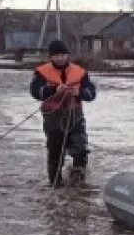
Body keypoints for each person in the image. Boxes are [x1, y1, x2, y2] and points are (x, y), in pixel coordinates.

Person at [29, 39, 96, 186]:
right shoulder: (41, 72)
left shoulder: (81, 72)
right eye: (56, 55)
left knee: (80, 150)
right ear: (51, 57)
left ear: (67, 55)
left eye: (62, 55)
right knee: (55, 152)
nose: (60, 58)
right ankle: (55, 184)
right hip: (53, 116)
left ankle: (78, 184)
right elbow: (35, 92)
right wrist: (53, 90)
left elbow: (91, 94)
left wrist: (80, 92)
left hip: (75, 116)